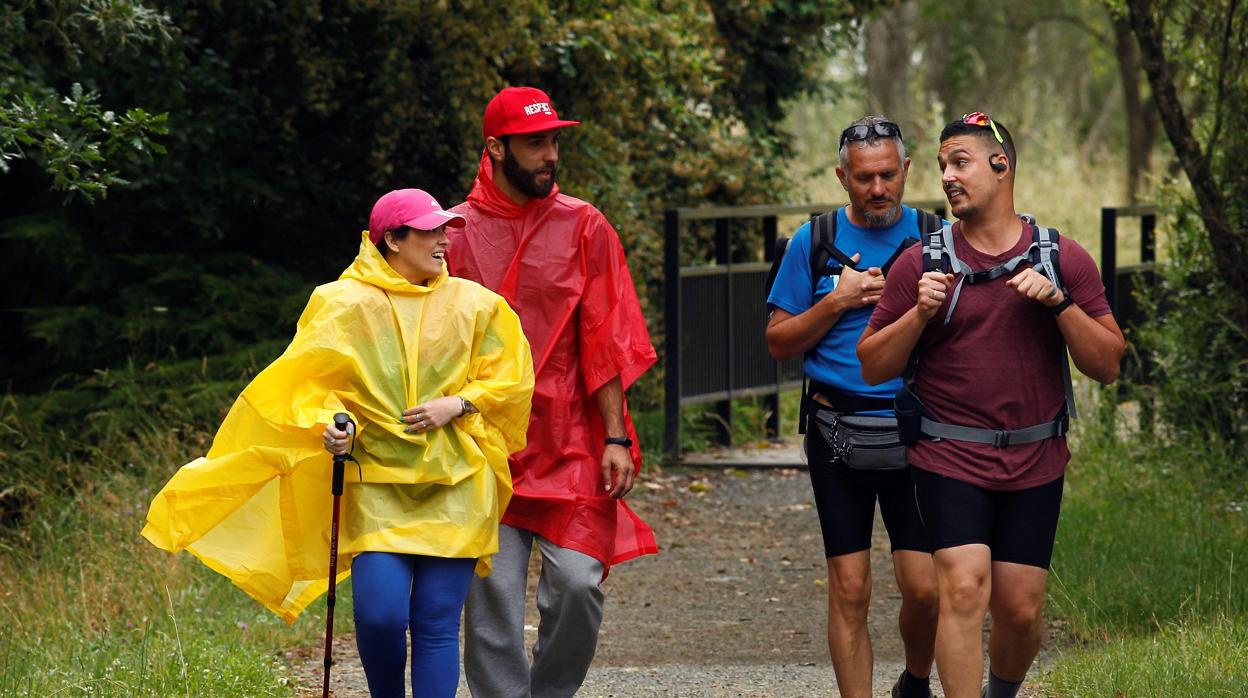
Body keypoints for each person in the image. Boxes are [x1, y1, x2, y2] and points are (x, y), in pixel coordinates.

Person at [142, 188, 535, 698]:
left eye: (446, 229)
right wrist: (332, 425)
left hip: (456, 483)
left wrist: (457, 404)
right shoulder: (340, 303)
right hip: (374, 482)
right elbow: (308, 382)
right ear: (393, 238)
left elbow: (512, 380)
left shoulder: (478, 306)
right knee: (379, 618)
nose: (444, 239)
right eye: (431, 230)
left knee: (436, 625)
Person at [858, 113, 1124, 698]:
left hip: (1035, 458)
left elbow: (1108, 364)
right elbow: (872, 363)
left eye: (960, 162)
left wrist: (1058, 303)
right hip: (948, 453)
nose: (947, 177)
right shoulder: (921, 261)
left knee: (1021, 610)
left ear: (1000, 166)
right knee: (961, 588)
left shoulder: (1062, 257)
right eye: (942, 166)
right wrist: (918, 313)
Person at [445, 86, 658, 698]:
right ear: (495, 147)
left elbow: (606, 336)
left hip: (572, 440)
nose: (550, 155)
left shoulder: (583, 225)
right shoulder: (454, 233)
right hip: (486, 445)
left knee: (578, 585)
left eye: (554, 141)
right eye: (536, 143)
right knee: (492, 602)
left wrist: (616, 435)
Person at [765, 115, 938, 698]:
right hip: (835, 427)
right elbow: (778, 342)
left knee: (924, 588)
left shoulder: (937, 237)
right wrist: (836, 302)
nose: (878, 189)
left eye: (889, 175)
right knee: (850, 584)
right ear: (843, 177)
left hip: (917, 427)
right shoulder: (811, 242)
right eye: (864, 178)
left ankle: (914, 680)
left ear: (908, 171)